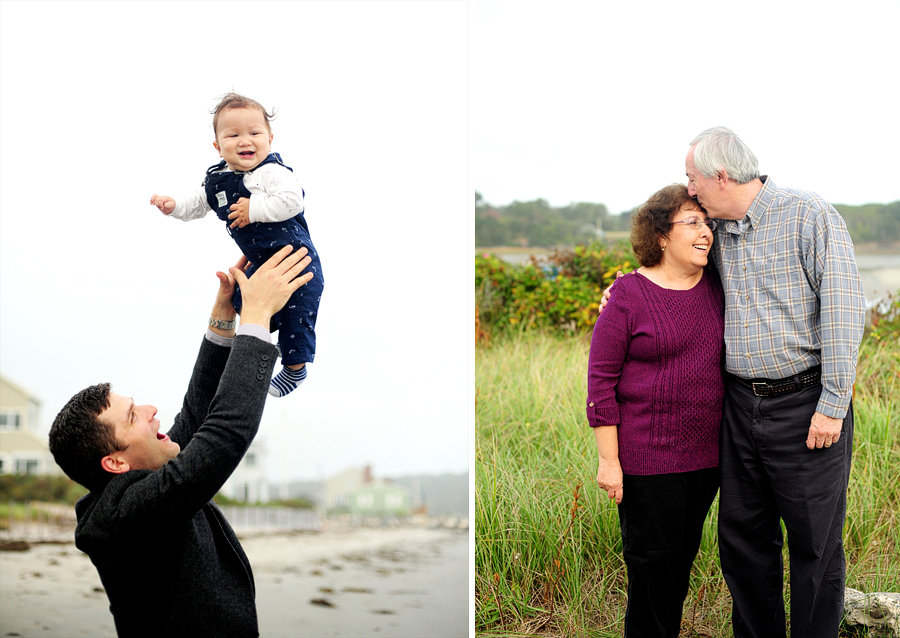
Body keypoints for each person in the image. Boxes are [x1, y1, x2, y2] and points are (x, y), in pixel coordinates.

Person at [601, 127, 865, 638]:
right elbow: (670, 268)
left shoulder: (809, 215)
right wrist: (623, 290)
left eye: (692, 179)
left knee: (814, 545)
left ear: (720, 176)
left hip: (807, 404)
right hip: (740, 409)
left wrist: (833, 403)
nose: (690, 189)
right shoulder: (717, 234)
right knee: (743, 540)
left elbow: (843, 311)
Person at [48, 245, 313, 638]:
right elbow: (223, 435)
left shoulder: (146, 483)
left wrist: (224, 318)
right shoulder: (124, 516)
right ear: (116, 462)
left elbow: (197, 418)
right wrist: (256, 320)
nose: (152, 410)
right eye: (134, 416)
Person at [588, 183, 725, 637]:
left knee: (679, 571)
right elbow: (600, 385)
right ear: (661, 236)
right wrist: (610, 462)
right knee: (652, 575)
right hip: (647, 463)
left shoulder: (720, 288)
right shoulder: (627, 295)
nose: (705, 231)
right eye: (692, 222)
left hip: (707, 462)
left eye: (707, 222)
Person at [150, 92, 324, 397]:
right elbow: (196, 204)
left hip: (297, 261)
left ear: (270, 140)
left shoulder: (271, 173)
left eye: (255, 133)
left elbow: (293, 201)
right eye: (233, 134)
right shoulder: (216, 180)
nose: (245, 140)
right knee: (244, 304)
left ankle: (296, 367)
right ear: (218, 146)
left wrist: (252, 209)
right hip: (261, 262)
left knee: (298, 315)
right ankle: (268, 346)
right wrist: (174, 205)